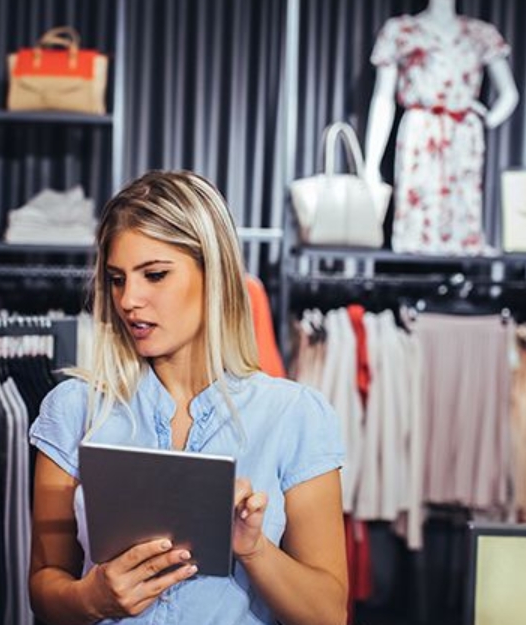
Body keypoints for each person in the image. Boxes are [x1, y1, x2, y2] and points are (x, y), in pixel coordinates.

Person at [27, 170, 347, 625]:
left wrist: (254, 550)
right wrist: (93, 598)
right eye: (117, 279)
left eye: (154, 275)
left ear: (211, 274)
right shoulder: (74, 409)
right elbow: (43, 586)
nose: (129, 300)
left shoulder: (295, 416)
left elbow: (328, 615)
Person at [364, 0, 519, 256]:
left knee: (461, 215)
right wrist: (370, 167)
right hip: (420, 131)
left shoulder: (480, 34)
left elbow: (510, 93)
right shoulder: (401, 31)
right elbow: (383, 98)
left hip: (463, 133)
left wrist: (484, 119)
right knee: (417, 226)